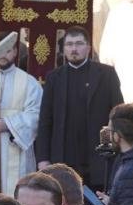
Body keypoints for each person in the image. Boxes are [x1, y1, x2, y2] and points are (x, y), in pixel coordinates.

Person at [36, 26, 124, 192]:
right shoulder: (54, 77)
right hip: (64, 154)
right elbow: (45, 121)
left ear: (88, 48)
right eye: (69, 44)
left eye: (79, 44)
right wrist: (43, 158)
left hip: (98, 155)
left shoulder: (106, 74)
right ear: (63, 49)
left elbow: (119, 114)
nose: (74, 49)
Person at [0, 35, 41, 194]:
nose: (3, 55)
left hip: (15, 147)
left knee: (14, 195)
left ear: (15, 52)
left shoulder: (29, 82)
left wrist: (9, 124)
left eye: (8, 50)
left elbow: (36, 115)